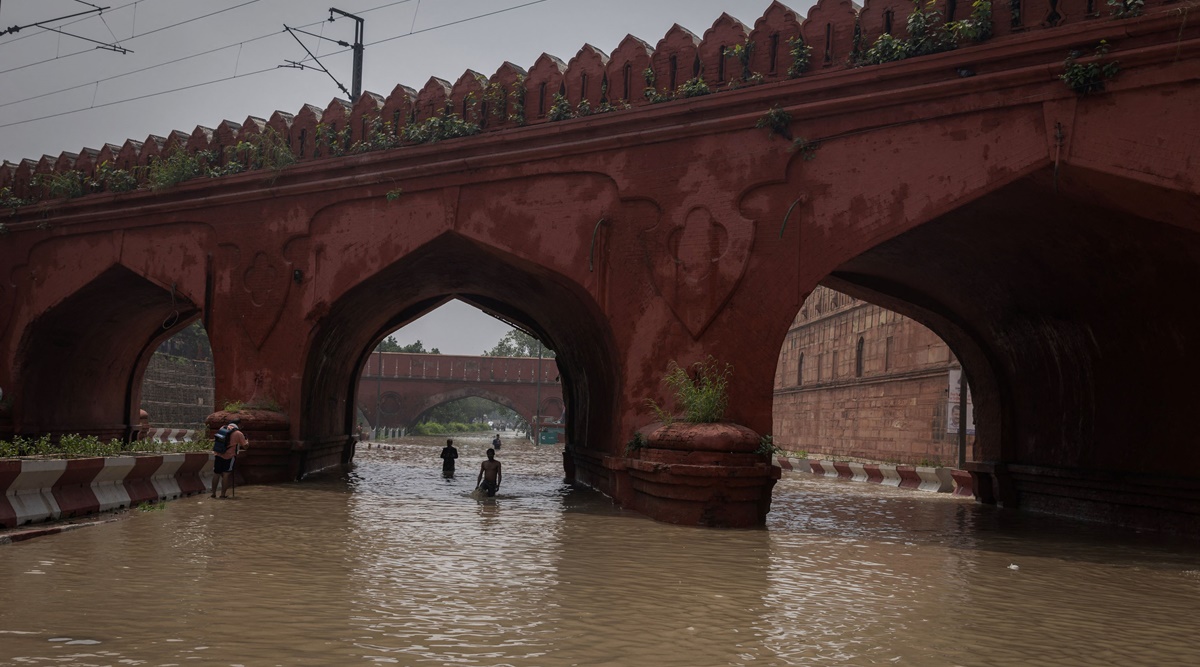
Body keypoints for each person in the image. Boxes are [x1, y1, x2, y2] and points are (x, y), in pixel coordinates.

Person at [211, 419, 248, 499]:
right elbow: (245, 446)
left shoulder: (222, 428)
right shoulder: (238, 433)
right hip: (229, 456)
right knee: (226, 475)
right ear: (238, 424)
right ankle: (222, 495)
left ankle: (213, 494)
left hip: (218, 454)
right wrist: (247, 441)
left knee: (216, 473)